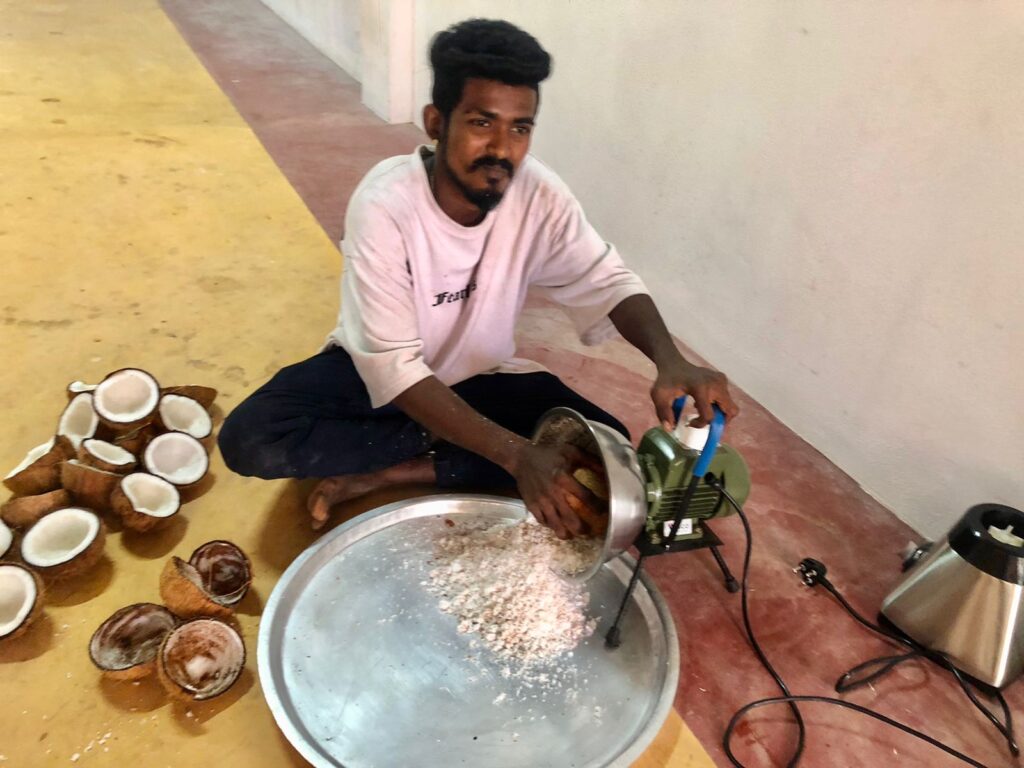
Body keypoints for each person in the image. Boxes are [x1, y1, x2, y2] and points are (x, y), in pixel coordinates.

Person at [218, 19, 738, 537]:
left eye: (520, 128)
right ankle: (452, 441)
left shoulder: (538, 194)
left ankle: (390, 470)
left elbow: (606, 279)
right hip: (377, 378)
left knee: (607, 446)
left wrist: (669, 359)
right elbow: (394, 369)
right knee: (252, 439)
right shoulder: (385, 205)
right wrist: (514, 453)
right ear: (436, 122)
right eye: (481, 123)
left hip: (479, 379)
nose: (502, 148)